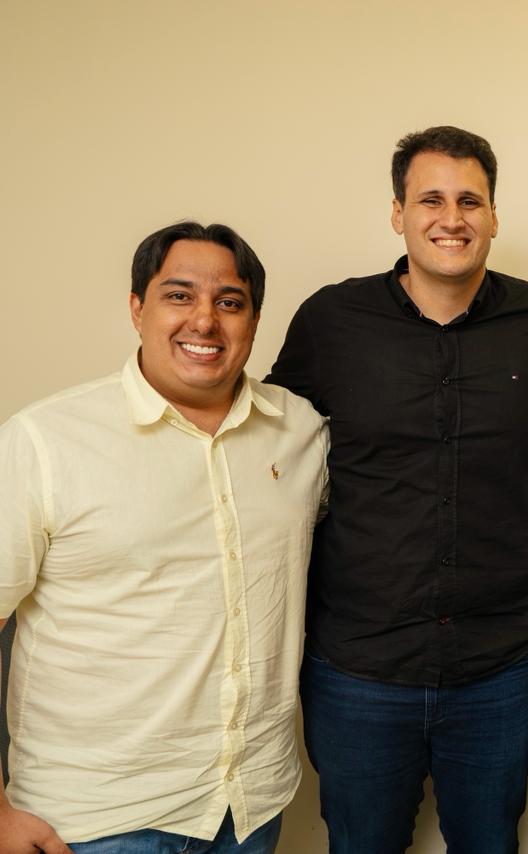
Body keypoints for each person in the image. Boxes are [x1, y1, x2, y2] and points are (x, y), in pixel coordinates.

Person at [266, 125, 528, 853]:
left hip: (500, 664)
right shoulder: (330, 321)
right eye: (431, 200)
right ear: (398, 213)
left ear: (495, 216)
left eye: (470, 201)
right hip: (360, 667)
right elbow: (269, 444)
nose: (452, 218)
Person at [0, 222, 328, 854]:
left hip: (249, 809)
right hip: (96, 823)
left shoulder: (300, 431)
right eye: (179, 295)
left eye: (229, 302)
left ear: (254, 321)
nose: (204, 320)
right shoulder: (44, 442)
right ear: (137, 308)